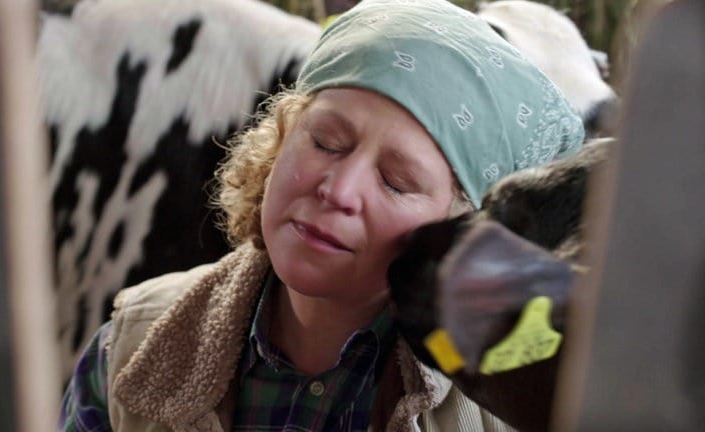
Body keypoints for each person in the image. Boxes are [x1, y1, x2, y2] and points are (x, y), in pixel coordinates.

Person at [58, 0, 584, 430]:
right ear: (280, 138)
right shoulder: (127, 349)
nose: (338, 189)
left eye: (396, 181)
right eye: (326, 142)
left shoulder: (511, 412)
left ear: (457, 229)